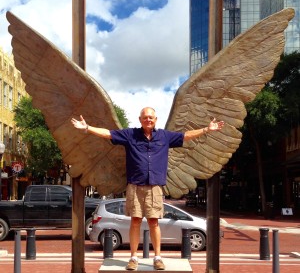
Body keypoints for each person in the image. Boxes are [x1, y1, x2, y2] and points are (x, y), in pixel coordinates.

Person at [71, 107, 224, 270]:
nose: (148, 120)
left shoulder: (165, 136)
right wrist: (87, 128)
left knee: (154, 223)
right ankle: (133, 258)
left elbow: (185, 136)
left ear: (156, 119)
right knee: (135, 222)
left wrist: (207, 130)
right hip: (135, 186)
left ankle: (157, 258)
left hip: (155, 187)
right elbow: (108, 133)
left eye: (151, 117)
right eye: (145, 117)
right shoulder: (130, 135)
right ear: (140, 119)